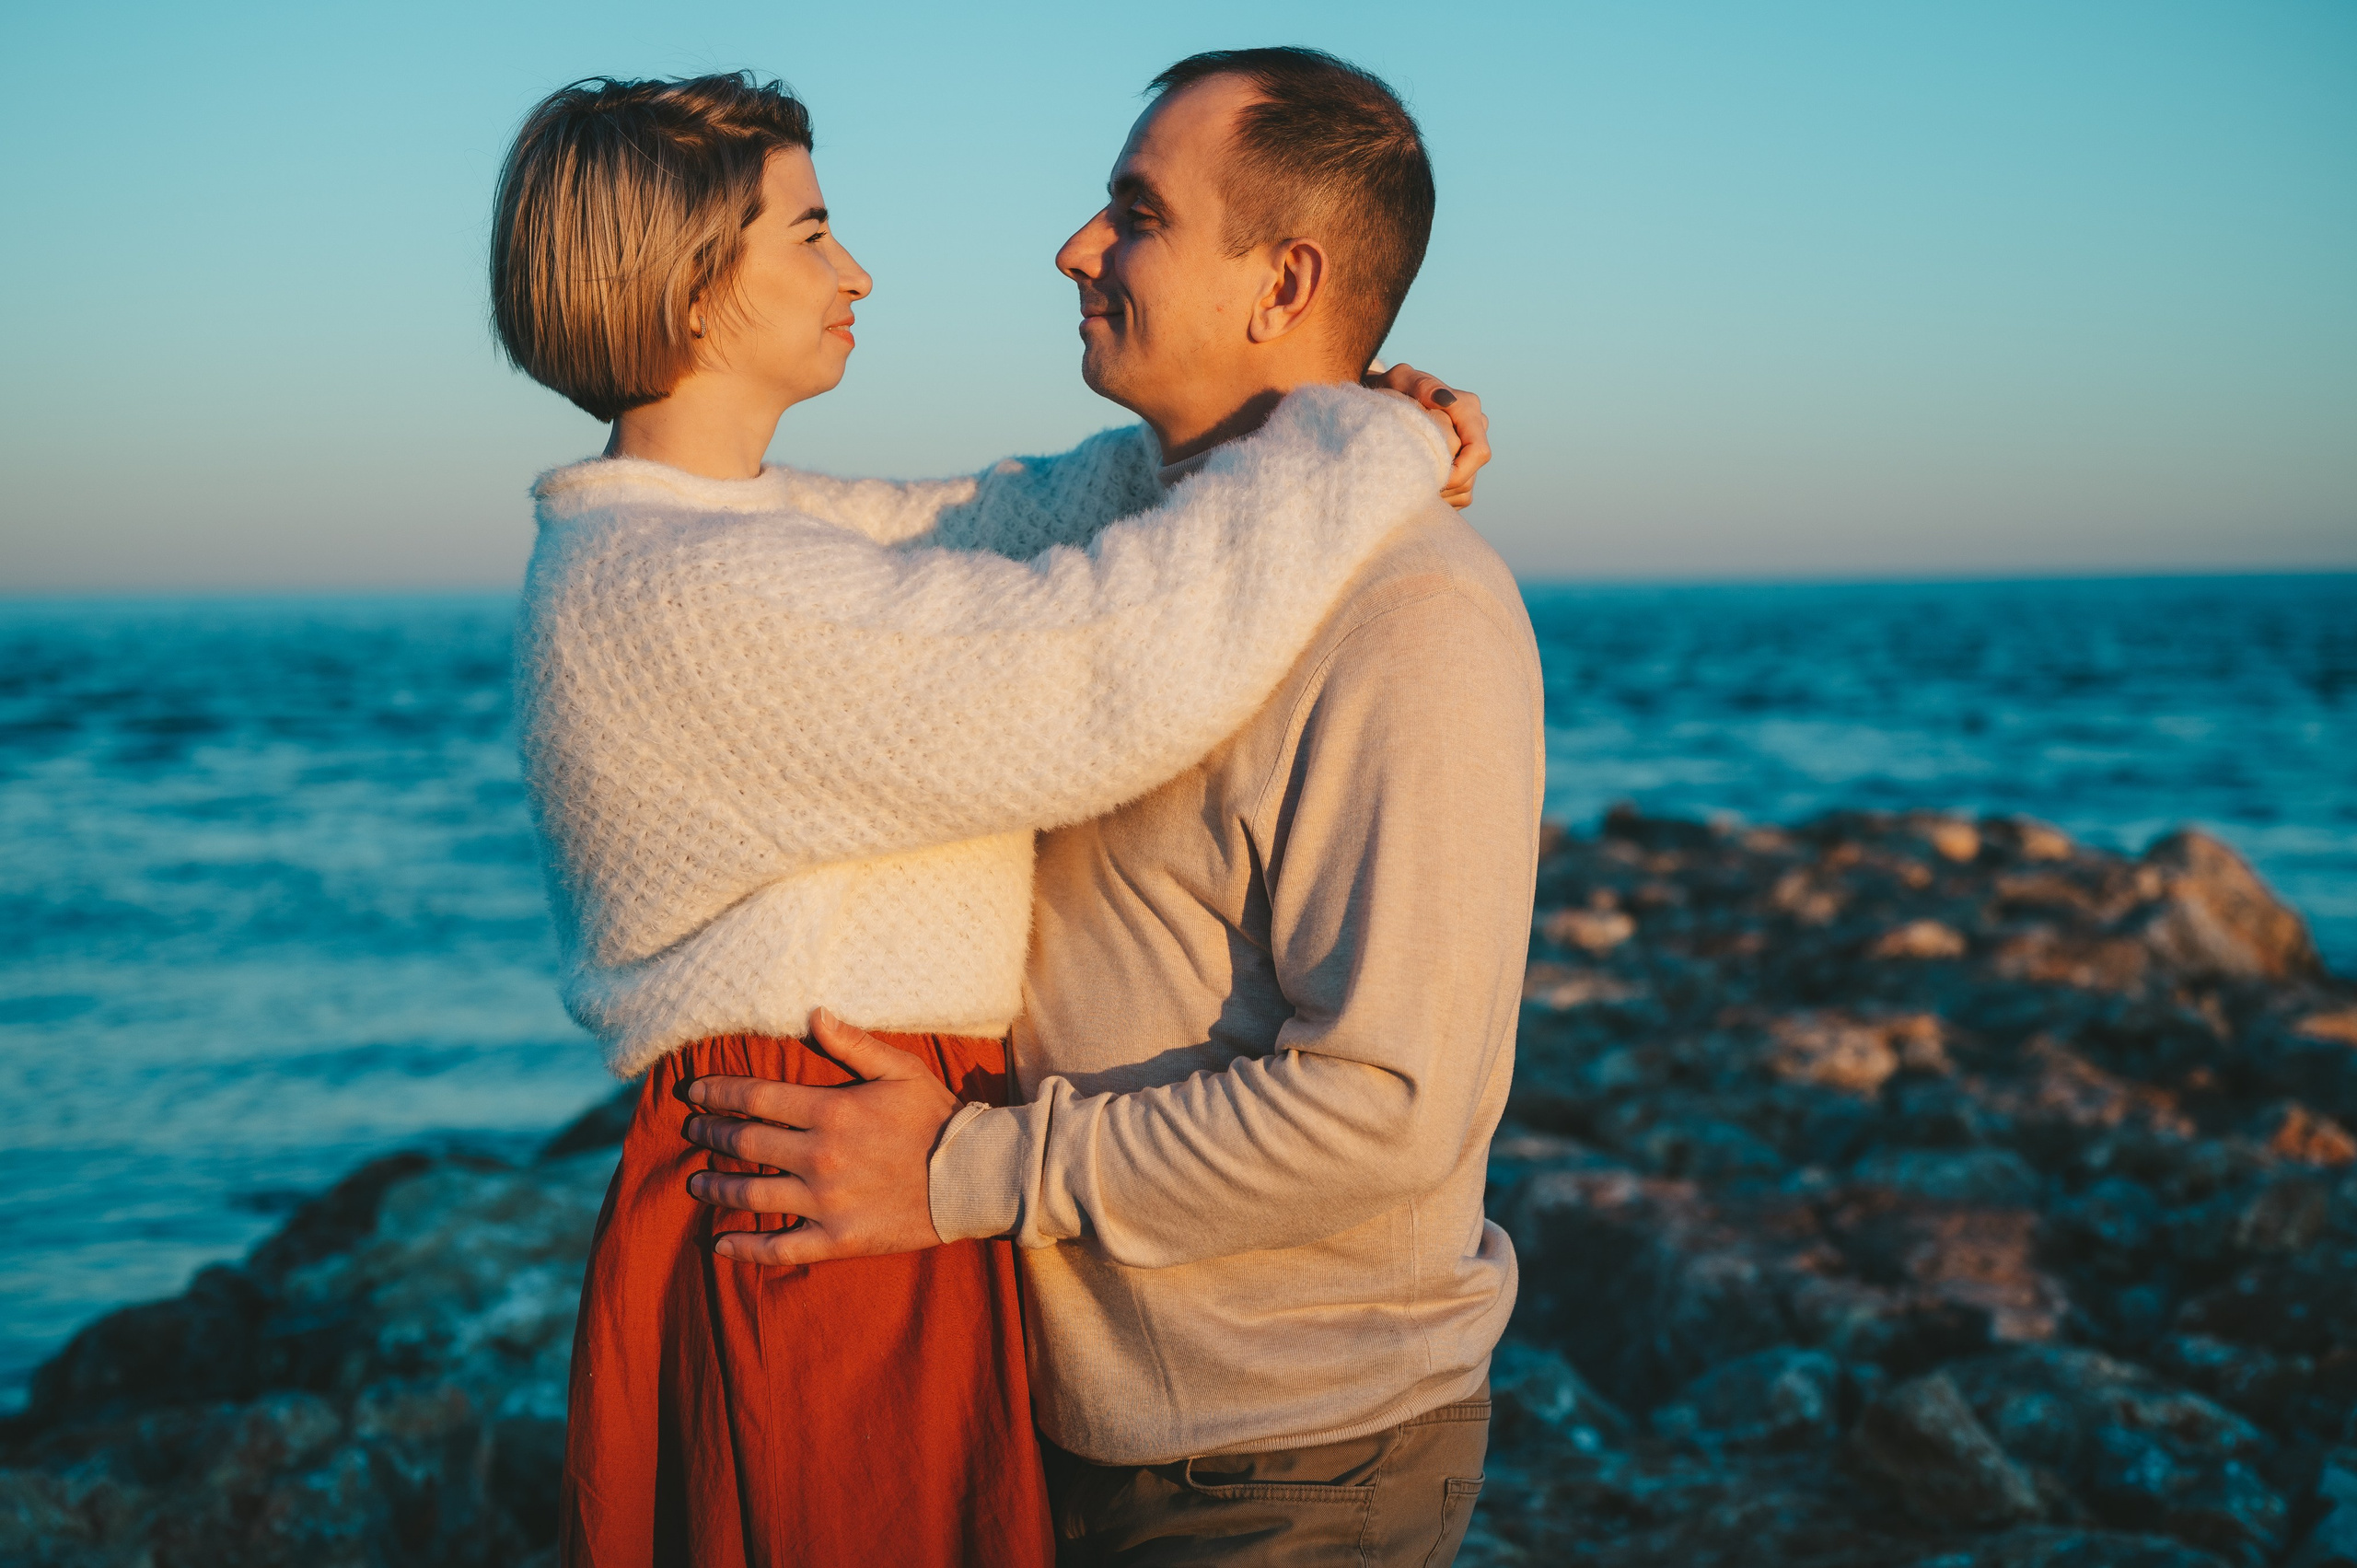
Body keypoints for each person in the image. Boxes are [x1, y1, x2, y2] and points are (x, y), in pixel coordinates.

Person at [490, 71, 1489, 1568]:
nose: (857, 270)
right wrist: (1354, 448)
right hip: (820, 1183)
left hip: (887, 1182)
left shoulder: (733, 540)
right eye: (811, 232)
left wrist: (1331, 435)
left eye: (1138, 214)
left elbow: (1013, 519)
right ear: (691, 284)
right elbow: (1091, 661)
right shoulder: (673, 591)